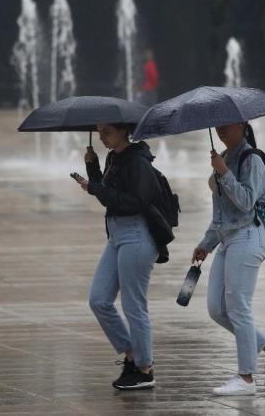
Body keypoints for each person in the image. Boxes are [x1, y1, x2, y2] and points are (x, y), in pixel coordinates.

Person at [191, 123, 265, 396]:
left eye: (227, 124)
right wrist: (206, 244)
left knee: (238, 307)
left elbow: (246, 202)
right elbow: (220, 213)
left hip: (250, 236)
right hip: (228, 238)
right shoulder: (223, 158)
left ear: (243, 126)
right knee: (217, 308)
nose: (221, 129)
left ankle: (246, 379)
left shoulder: (252, 159)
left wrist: (223, 173)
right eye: (218, 125)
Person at [74, 123, 160, 390]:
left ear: (124, 131)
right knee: (99, 300)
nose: (102, 137)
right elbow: (108, 197)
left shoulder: (137, 162)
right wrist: (93, 169)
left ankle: (144, 369)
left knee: (134, 306)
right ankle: (132, 354)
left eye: (107, 132)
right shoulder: (114, 157)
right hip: (117, 236)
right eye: (99, 132)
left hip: (136, 235)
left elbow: (135, 202)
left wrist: (95, 188)